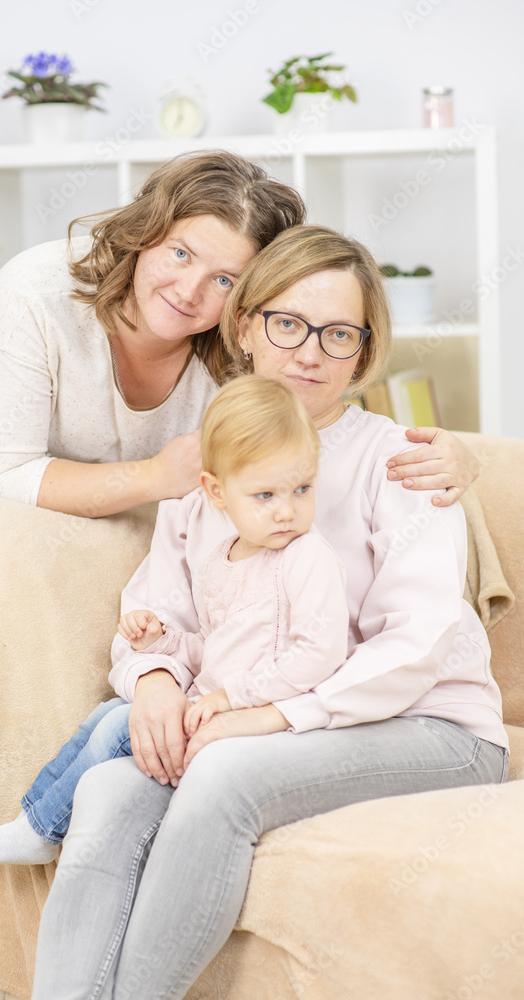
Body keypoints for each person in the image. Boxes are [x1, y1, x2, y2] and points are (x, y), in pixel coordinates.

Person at [29, 224, 509, 1000]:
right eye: (286, 323)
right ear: (245, 327)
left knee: (222, 775)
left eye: (338, 334)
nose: (309, 352)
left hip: (433, 727)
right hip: (244, 714)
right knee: (110, 788)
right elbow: (156, 607)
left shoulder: (403, 461)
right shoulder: (210, 464)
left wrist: (270, 718)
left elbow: (417, 647)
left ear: (362, 350)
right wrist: (152, 678)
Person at [0, 376, 349, 873]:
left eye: (302, 488)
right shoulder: (223, 558)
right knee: (105, 715)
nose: (288, 510)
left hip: (263, 725)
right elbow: (215, 646)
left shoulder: (305, 557)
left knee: (119, 725)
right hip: (215, 708)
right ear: (217, 493)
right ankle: (32, 817)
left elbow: (319, 653)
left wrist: (231, 698)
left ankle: (40, 829)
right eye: (265, 494)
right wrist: (163, 640)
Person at [0, 149, 476, 516]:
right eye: (181, 253)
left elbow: (328, 430)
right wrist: (154, 477)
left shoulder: (251, 343)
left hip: (182, 553)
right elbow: (7, 476)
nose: (189, 292)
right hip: (45, 526)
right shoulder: (33, 295)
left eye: (225, 279)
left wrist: (463, 457)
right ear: (145, 234)